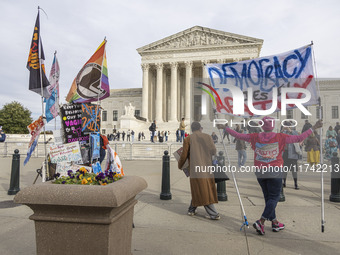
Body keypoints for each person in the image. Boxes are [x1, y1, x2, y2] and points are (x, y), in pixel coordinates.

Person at [218, 117, 322, 235]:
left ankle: (274, 222)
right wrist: (313, 127)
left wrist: (225, 127)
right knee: (274, 197)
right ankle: (261, 221)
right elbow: (299, 138)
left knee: (268, 197)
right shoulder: (280, 137)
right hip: (275, 170)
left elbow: (239, 135)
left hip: (260, 171)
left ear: (262, 126)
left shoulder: (255, 136)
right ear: (272, 125)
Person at [178, 122, 220, 220]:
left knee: (202, 188)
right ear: (200, 128)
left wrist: (180, 165)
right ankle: (191, 209)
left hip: (195, 167)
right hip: (207, 166)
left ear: (192, 129)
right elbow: (214, 150)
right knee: (200, 187)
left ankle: (214, 214)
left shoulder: (188, 139)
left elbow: (183, 155)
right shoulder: (207, 137)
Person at [282, 123, 301, 190]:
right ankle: (284, 182)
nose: (287, 127)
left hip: (293, 154)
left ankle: (295, 183)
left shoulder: (294, 132)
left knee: (294, 170)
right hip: (286, 154)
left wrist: (290, 131)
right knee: (285, 169)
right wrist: (282, 130)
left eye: (288, 126)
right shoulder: (284, 132)